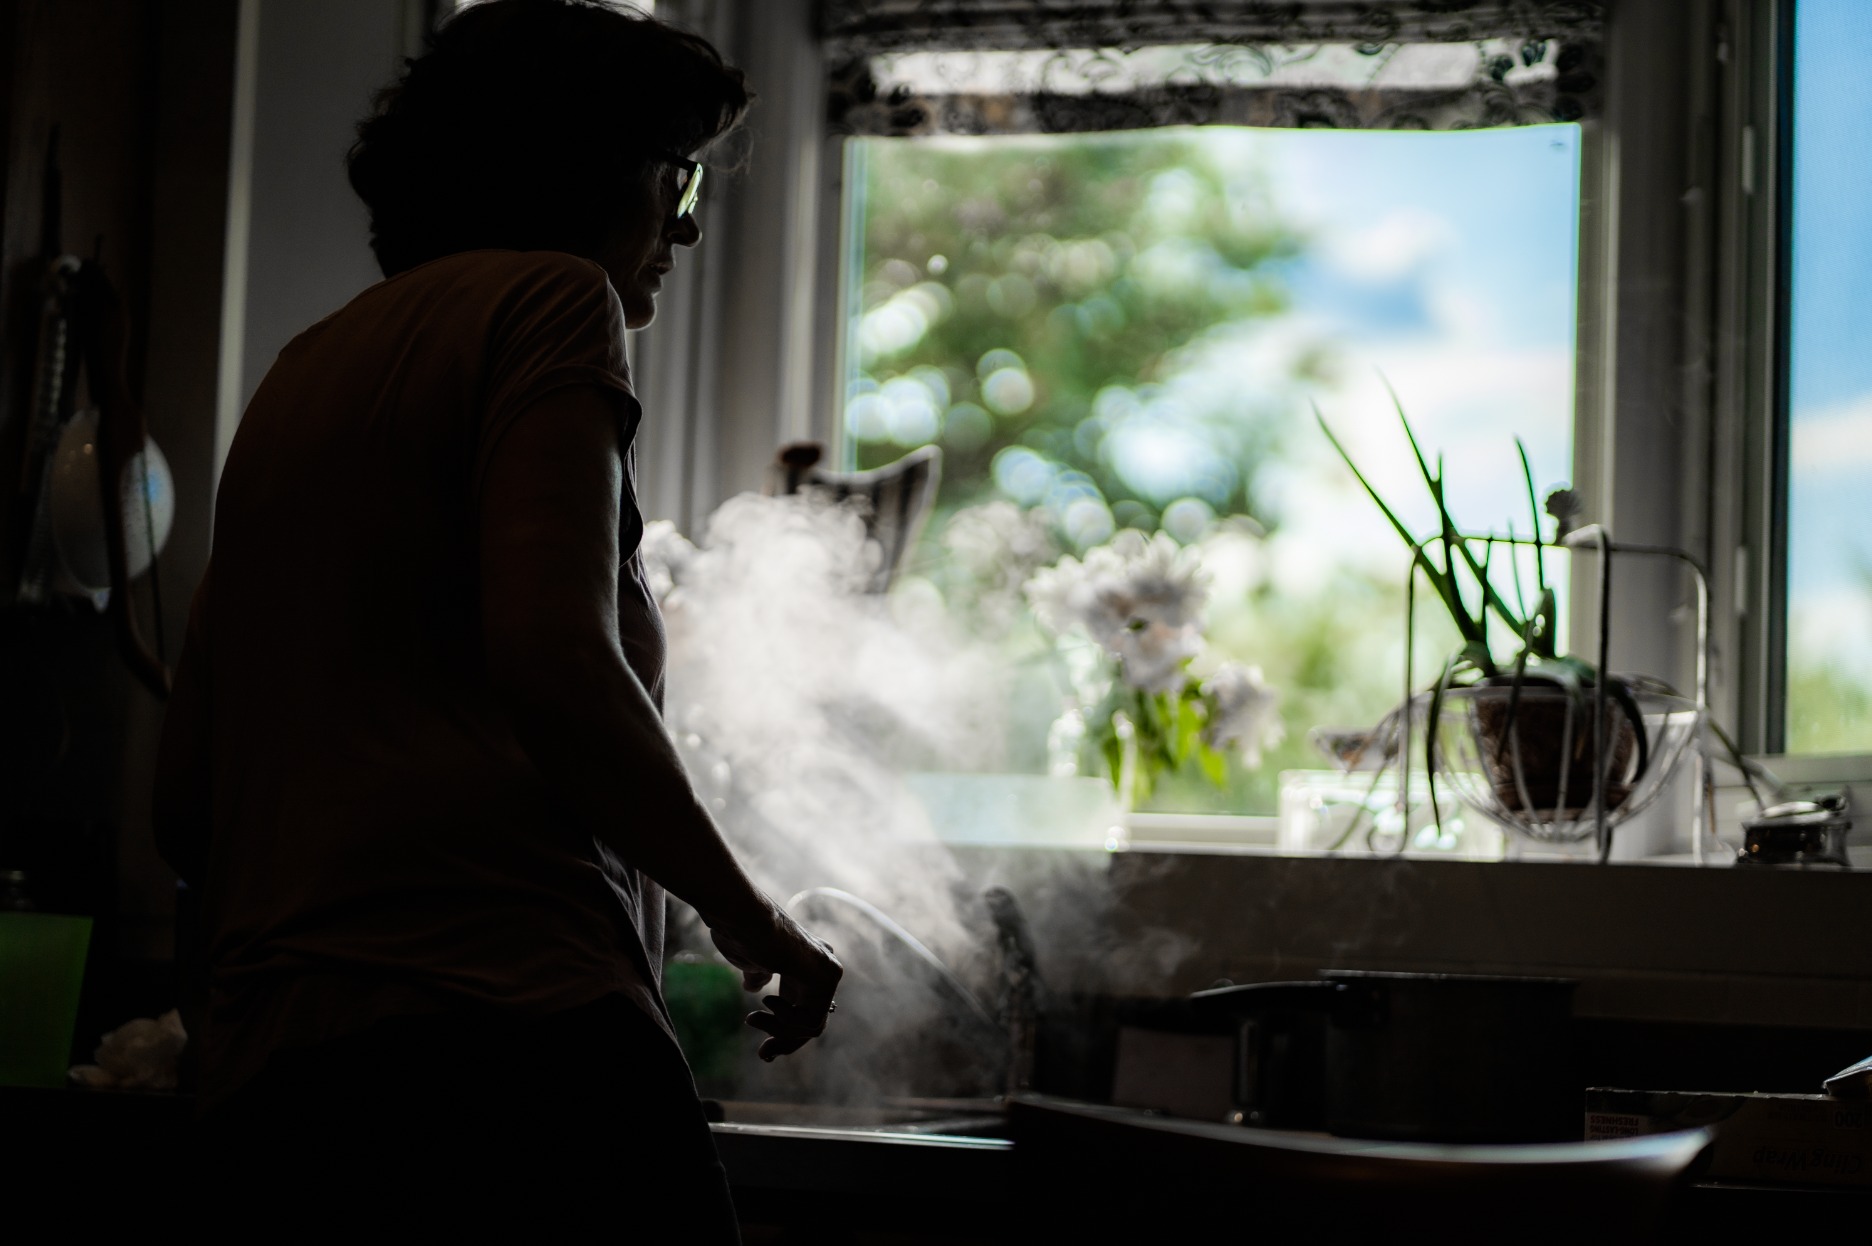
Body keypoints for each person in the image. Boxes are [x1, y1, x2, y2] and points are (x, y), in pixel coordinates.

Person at [151, 2, 839, 1237]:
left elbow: (183, 794)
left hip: (279, 1079)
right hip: (510, 1050)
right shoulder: (553, 302)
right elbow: (555, 658)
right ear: (582, 168)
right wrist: (753, 921)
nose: (683, 229)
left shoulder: (304, 368)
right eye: (675, 179)